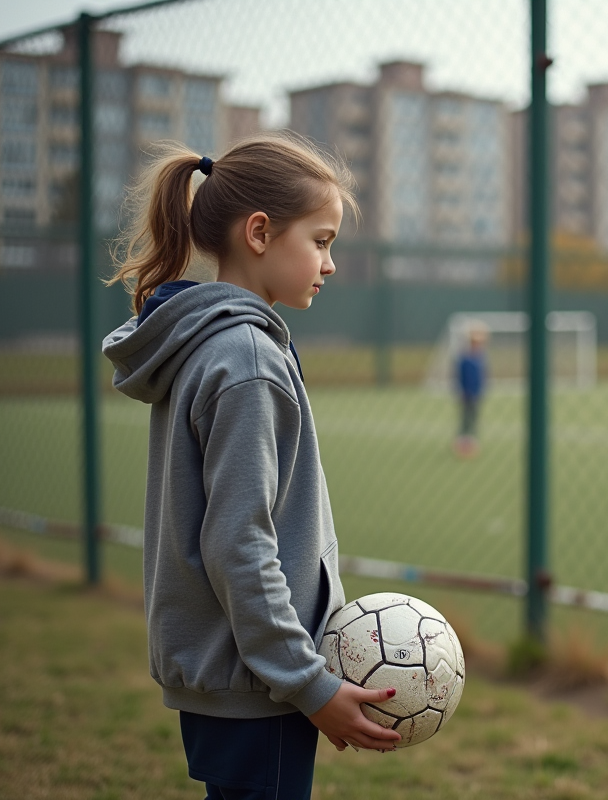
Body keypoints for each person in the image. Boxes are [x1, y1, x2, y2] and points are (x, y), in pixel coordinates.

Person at [102, 133, 400, 800]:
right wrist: (309, 683)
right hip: (259, 679)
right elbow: (239, 543)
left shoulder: (213, 344)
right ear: (260, 232)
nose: (329, 264)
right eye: (320, 241)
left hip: (235, 673)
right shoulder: (246, 358)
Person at [453, 322, 488, 457]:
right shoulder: (465, 358)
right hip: (466, 394)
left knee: (474, 417)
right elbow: (460, 377)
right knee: (465, 418)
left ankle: (471, 442)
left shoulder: (481, 357)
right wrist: (462, 391)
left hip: (476, 393)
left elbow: (482, 377)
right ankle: (462, 442)